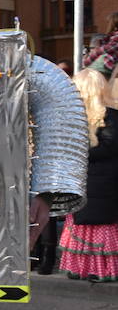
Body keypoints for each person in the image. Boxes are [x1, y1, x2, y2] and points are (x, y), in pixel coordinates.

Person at [58, 69, 118, 281]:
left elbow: (109, 148)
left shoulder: (75, 117)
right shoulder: (111, 116)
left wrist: (76, 152)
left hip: (89, 180)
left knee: (87, 224)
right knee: (99, 225)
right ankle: (102, 270)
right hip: (101, 181)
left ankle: (83, 268)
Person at [80, 12, 118, 77]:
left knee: (89, 74)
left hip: (108, 65)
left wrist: (86, 61)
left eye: (108, 23)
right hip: (106, 66)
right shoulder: (110, 37)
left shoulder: (116, 37)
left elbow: (104, 49)